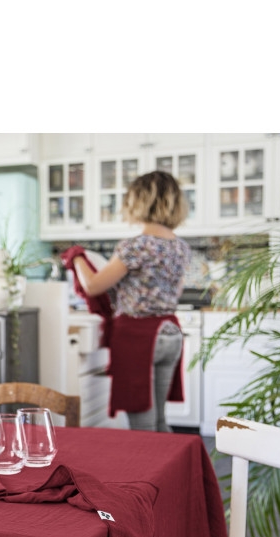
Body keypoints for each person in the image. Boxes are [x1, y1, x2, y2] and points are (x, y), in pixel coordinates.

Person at [66, 170, 189, 433]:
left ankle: (150, 474)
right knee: (159, 421)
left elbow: (93, 285)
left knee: (143, 425)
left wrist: (76, 257)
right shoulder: (181, 247)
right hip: (171, 334)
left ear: (138, 202)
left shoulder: (135, 246)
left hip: (140, 339)